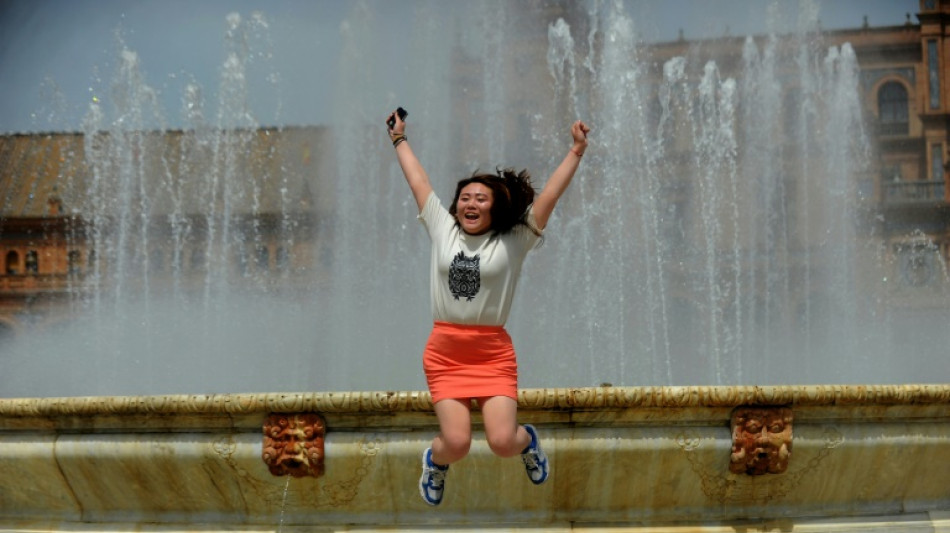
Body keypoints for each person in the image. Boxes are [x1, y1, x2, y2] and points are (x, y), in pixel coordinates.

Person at [386, 108, 590, 506]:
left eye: (481, 197)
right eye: (464, 197)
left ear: (495, 207)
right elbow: (418, 180)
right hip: (445, 352)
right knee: (457, 444)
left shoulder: (515, 239)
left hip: (492, 352)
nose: (470, 203)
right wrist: (399, 138)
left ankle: (527, 441)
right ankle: (435, 460)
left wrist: (576, 151)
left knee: (501, 441)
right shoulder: (442, 227)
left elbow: (549, 195)